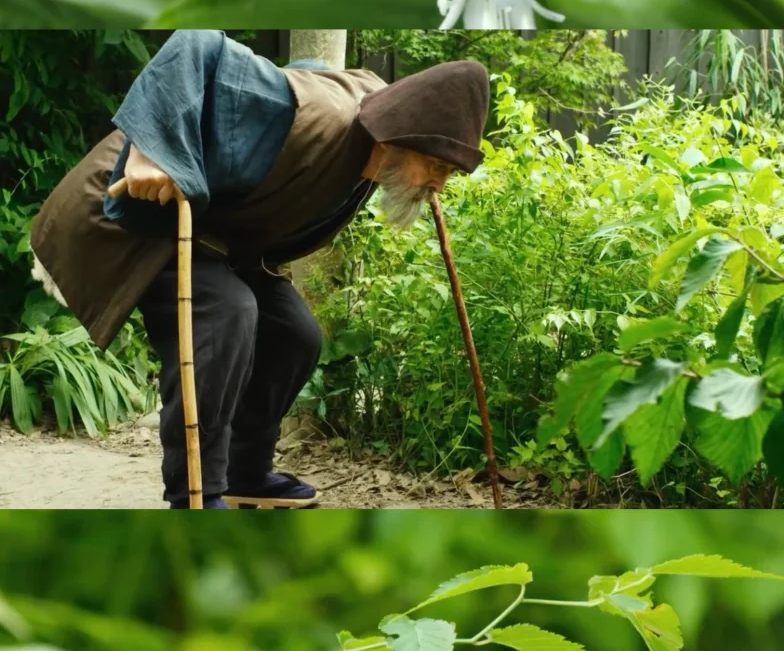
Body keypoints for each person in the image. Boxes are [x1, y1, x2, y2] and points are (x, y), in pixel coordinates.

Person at [30, 31, 491, 509]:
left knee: (294, 334)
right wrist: (151, 148)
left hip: (215, 231)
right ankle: (196, 495)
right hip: (137, 206)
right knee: (226, 312)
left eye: (448, 172)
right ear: (402, 136)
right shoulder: (311, 114)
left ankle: (243, 473)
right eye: (436, 166)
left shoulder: (376, 122)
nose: (439, 184)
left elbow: (311, 71)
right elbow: (193, 45)